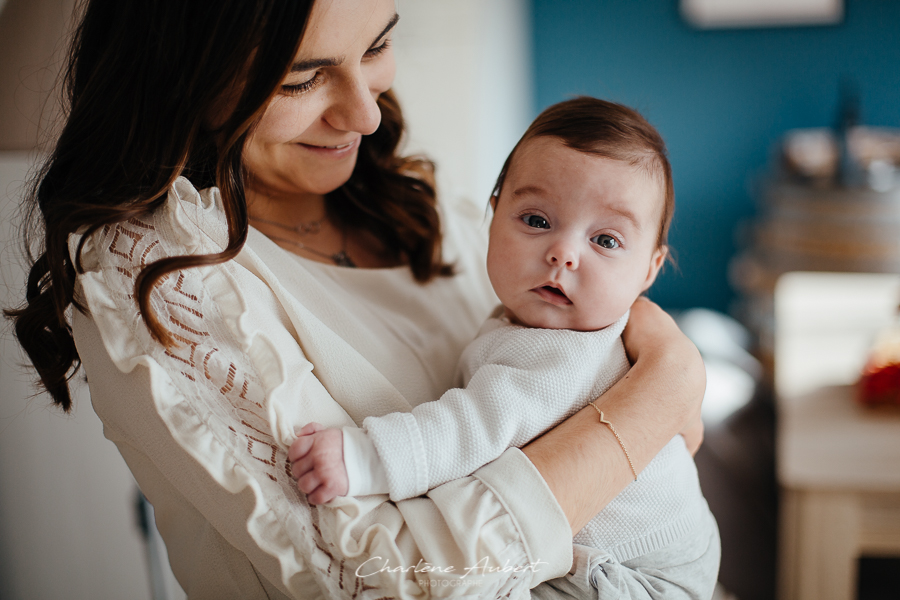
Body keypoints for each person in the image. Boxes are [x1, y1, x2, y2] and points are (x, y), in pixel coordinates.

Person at [6, 0, 707, 597]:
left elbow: (597, 319)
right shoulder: (162, 276)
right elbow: (386, 581)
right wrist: (661, 390)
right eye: (302, 82)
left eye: (377, 46)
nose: (367, 115)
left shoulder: (417, 209)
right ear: (184, 75)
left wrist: (667, 360)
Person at [290, 98, 720, 598]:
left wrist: (364, 458)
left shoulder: (563, 352)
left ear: (649, 269)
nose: (564, 252)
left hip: (638, 574)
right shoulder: (547, 329)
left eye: (605, 239)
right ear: (492, 217)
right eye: (537, 221)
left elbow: (470, 427)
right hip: (670, 554)